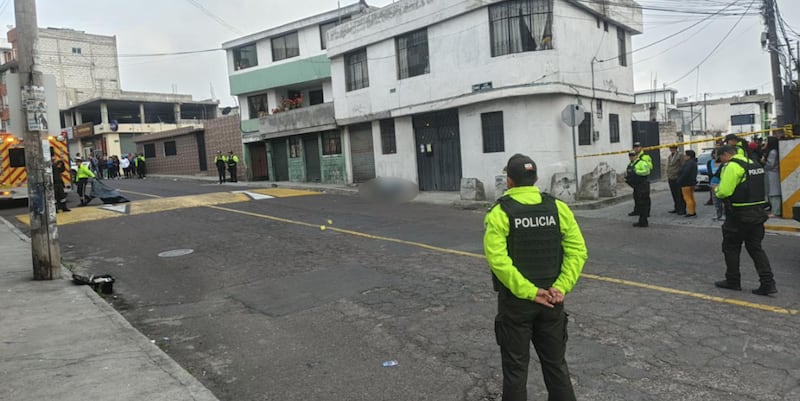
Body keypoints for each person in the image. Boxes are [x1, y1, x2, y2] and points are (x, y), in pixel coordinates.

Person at [484, 154, 587, 401]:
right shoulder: (558, 208)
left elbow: (499, 261)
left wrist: (529, 292)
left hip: (517, 305)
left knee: (516, 371)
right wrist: (560, 287)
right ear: (536, 179)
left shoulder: (499, 213)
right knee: (556, 367)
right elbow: (578, 252)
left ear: (509, 181)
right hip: (553, 301)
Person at [713, 145, 777, 296]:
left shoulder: (732, 166)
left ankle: (733, 281)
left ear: (726, 154)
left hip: (738, 214)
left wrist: (716, 189)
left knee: (731, 247)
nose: (720, 161)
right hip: (758, 212)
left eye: (720, 157)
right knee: (756, 248)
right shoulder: (754, 164)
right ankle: (768, 283)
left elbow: (724, 191)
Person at [629, 142, 652, 227]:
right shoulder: (632, 163)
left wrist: (637, 172)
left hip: (643, 184)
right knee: (638, 200)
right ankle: (640, 216)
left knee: (644, 202)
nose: (636, 148)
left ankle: (644, 219)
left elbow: (648, 169)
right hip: (636, 185)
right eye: (635, 147)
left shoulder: (644, 158)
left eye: (637, 147)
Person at [762, 136, 782, 218]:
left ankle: (776, 211)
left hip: (772, 174)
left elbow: (770, 165)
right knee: (771, 192)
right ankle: (774, 210)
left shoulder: (773, 152)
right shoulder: (773, 151)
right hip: (771, 174)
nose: (765, 143)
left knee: (774, 192)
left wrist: (763, 162)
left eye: (766, 141)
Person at [666, 145, 686, 214]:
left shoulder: (680, 155)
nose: (672, 149)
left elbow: (683, 165)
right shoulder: (669, 156)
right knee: (674, 194)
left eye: (673, 148)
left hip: (677, 177)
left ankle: (682, 209)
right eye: (671, 148)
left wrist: (680, 175)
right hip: (671, 177)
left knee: (680, 194)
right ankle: (677, 207)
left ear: (676, 149)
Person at [677, 150, 698, 217]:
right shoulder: (694, 162)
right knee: (691, 197)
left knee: (687, 198)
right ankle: (693, 210)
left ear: (689, 156)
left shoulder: (688, 163)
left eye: (685, 155)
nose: (684, 157)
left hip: (686, 183)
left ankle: (691, 212)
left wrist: (679, 180)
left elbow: (685, 173)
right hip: (692, 182)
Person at [710, 151, 725, 221]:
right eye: (715, 154)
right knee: (716, 200)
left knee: (723, 200)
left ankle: (724, 214)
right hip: (714, 182)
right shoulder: (710, 162)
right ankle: (718, 214)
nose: (716, 155)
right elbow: (710, 173)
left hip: (722, 182)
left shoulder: (724, 164)